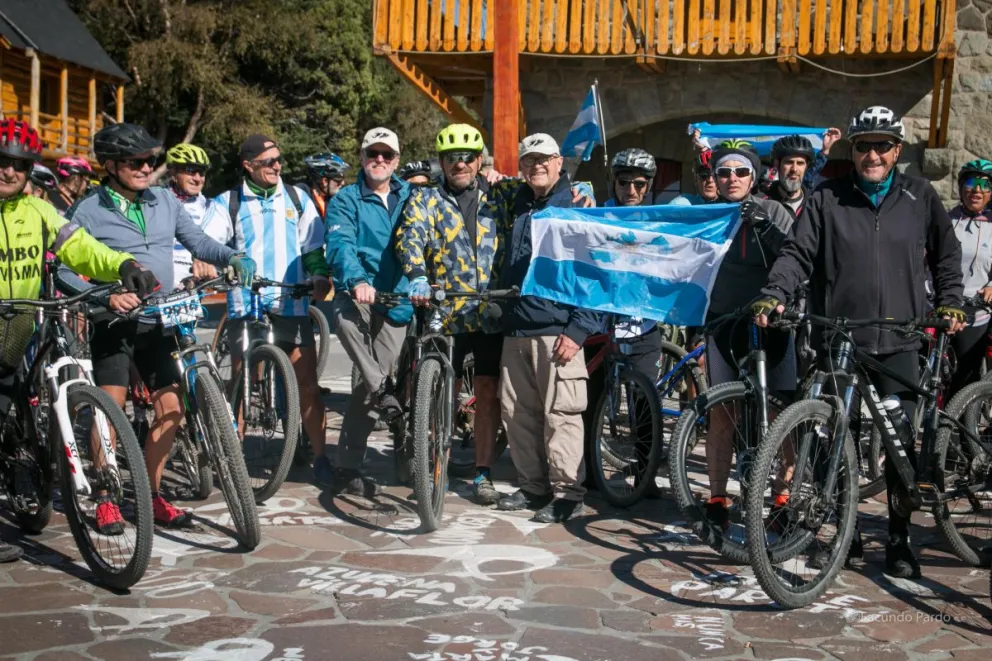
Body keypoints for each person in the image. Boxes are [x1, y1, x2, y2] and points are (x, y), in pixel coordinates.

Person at [753, 105, 965, 579]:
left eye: (882, 145)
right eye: (864, 145)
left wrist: (951, 301)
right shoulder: (828, 196)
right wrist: (774, 293)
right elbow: (797, 253)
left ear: (897, 151)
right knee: (836, 441)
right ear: (852, 150)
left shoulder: (920, 195)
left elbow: (946, 256)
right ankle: (847, 533)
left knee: (898, 444)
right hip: (840, 340)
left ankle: (898, 536)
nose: (873, 154)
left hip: (901, 339)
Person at [59, 122, 255, 528]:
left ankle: (150, 493)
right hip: (112, 321)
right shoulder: (89, 210)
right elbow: (63, 268)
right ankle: (106, 495)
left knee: (171, 408)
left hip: (157, 319)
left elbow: (199, 242)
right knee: (110, 409)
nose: (147, 167)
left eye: (151, 159)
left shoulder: (166, 201)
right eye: (137, 161)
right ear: (111, 166)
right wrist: (104, 296)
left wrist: (232, 256)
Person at [0, 119, 158, 561]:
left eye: (19, 164)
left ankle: (30, 465)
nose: (9, 172)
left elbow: (81, 247)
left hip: (20, 330)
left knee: (23, 402)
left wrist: (123, 264)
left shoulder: (39, 212)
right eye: (2, 162)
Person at [485, 133, 603, 523]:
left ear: (558, 163)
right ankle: (534, 487)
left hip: (559, 331)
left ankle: (568, 494)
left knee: (562, 415)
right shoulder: (516, 201)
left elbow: (593, 273)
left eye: (543, 159)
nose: (536, 166)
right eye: (528, 160)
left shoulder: (577, 206)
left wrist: (580, 328)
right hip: (517, 328)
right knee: (518, 414)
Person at [207, 134, 331, 484]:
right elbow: (209, 244)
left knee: (307, 383)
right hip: (246, 306)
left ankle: (321, 457)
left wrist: (319, 274)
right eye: (269, 162)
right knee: (241, 382)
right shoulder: (228, 202)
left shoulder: (297, 198)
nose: (278, 166)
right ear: (248, 166)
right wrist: (210, 264)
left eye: (279, 160)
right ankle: (233, 457)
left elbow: (313, 246)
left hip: (290, 303)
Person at [397, 124, 503, 505]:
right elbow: (410, 236)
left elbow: (538, 198)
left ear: (479, 161)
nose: (460, 163)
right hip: (445, 306)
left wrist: (579, 191)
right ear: (442, 162)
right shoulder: (424, 199)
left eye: (467, 157)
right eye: (451, 157)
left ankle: (482, 473)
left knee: (488, 392)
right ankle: (431, 459)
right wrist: (418, 276)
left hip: (489, 308)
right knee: (443, 386)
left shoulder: (498, 194)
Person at [703, 139, 797, 530]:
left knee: (783, 415)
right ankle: (717, 499)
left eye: (741, 171)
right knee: (721, 416)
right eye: (723, 172)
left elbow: (795, 255)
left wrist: (764, 224)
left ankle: (781, 498)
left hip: (769, 323)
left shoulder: (775, 208)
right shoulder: (705, 215)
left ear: (754, 176)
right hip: (723, 324)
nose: (732, 178)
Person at [325, 127, 414, 496]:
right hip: (358, 292)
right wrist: (358, 280)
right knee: (345, 323)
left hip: (399, 298)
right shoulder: (346, 199)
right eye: (372, 154)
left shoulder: (412, 196)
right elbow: (340, 243)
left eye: (387, 155)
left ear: (396, 161)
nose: (379, 161)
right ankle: (347, 466)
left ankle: (405, 457)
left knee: (378, 384)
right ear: (362, 158)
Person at [946, 158, 992, 396]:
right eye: (972, 182)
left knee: (965, 377)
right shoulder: (945, 220)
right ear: (961, 186)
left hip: (976, 309)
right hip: (941, 304)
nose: (977, 190)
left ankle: (962, 430)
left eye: (985, 185)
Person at [165, 143, 229, 280]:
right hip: (154, 291)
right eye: (190, 170)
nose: (197, 178)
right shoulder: (152, 203)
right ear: (173, 172)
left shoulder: (215, 210)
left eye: (202, 172)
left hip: (193, 293)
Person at [300, 152, 350, 219]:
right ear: (325, 181)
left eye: (343, 178)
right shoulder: (301, 198)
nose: (343, 183)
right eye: (339, 179)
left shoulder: (333, 200)